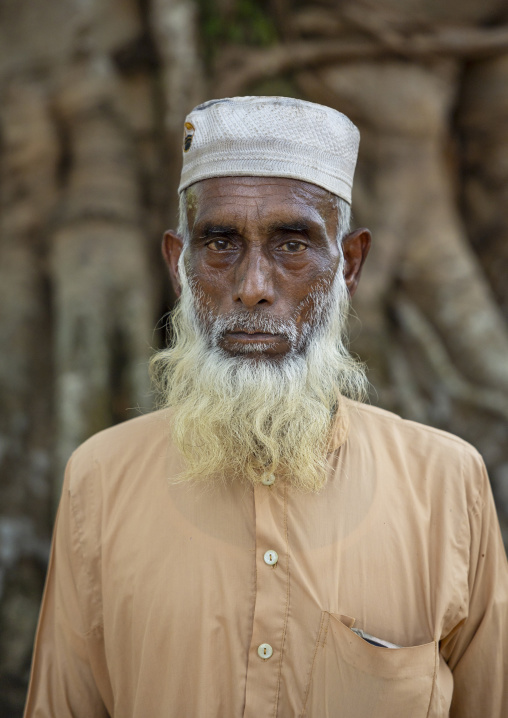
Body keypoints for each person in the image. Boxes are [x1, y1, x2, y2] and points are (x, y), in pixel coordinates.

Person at [24, 96, 508, 718]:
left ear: (348, 265)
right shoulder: (100, 478)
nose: (253, 288)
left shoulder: (446, 482)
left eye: (293, 245)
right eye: (222, 243)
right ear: (180, 264)